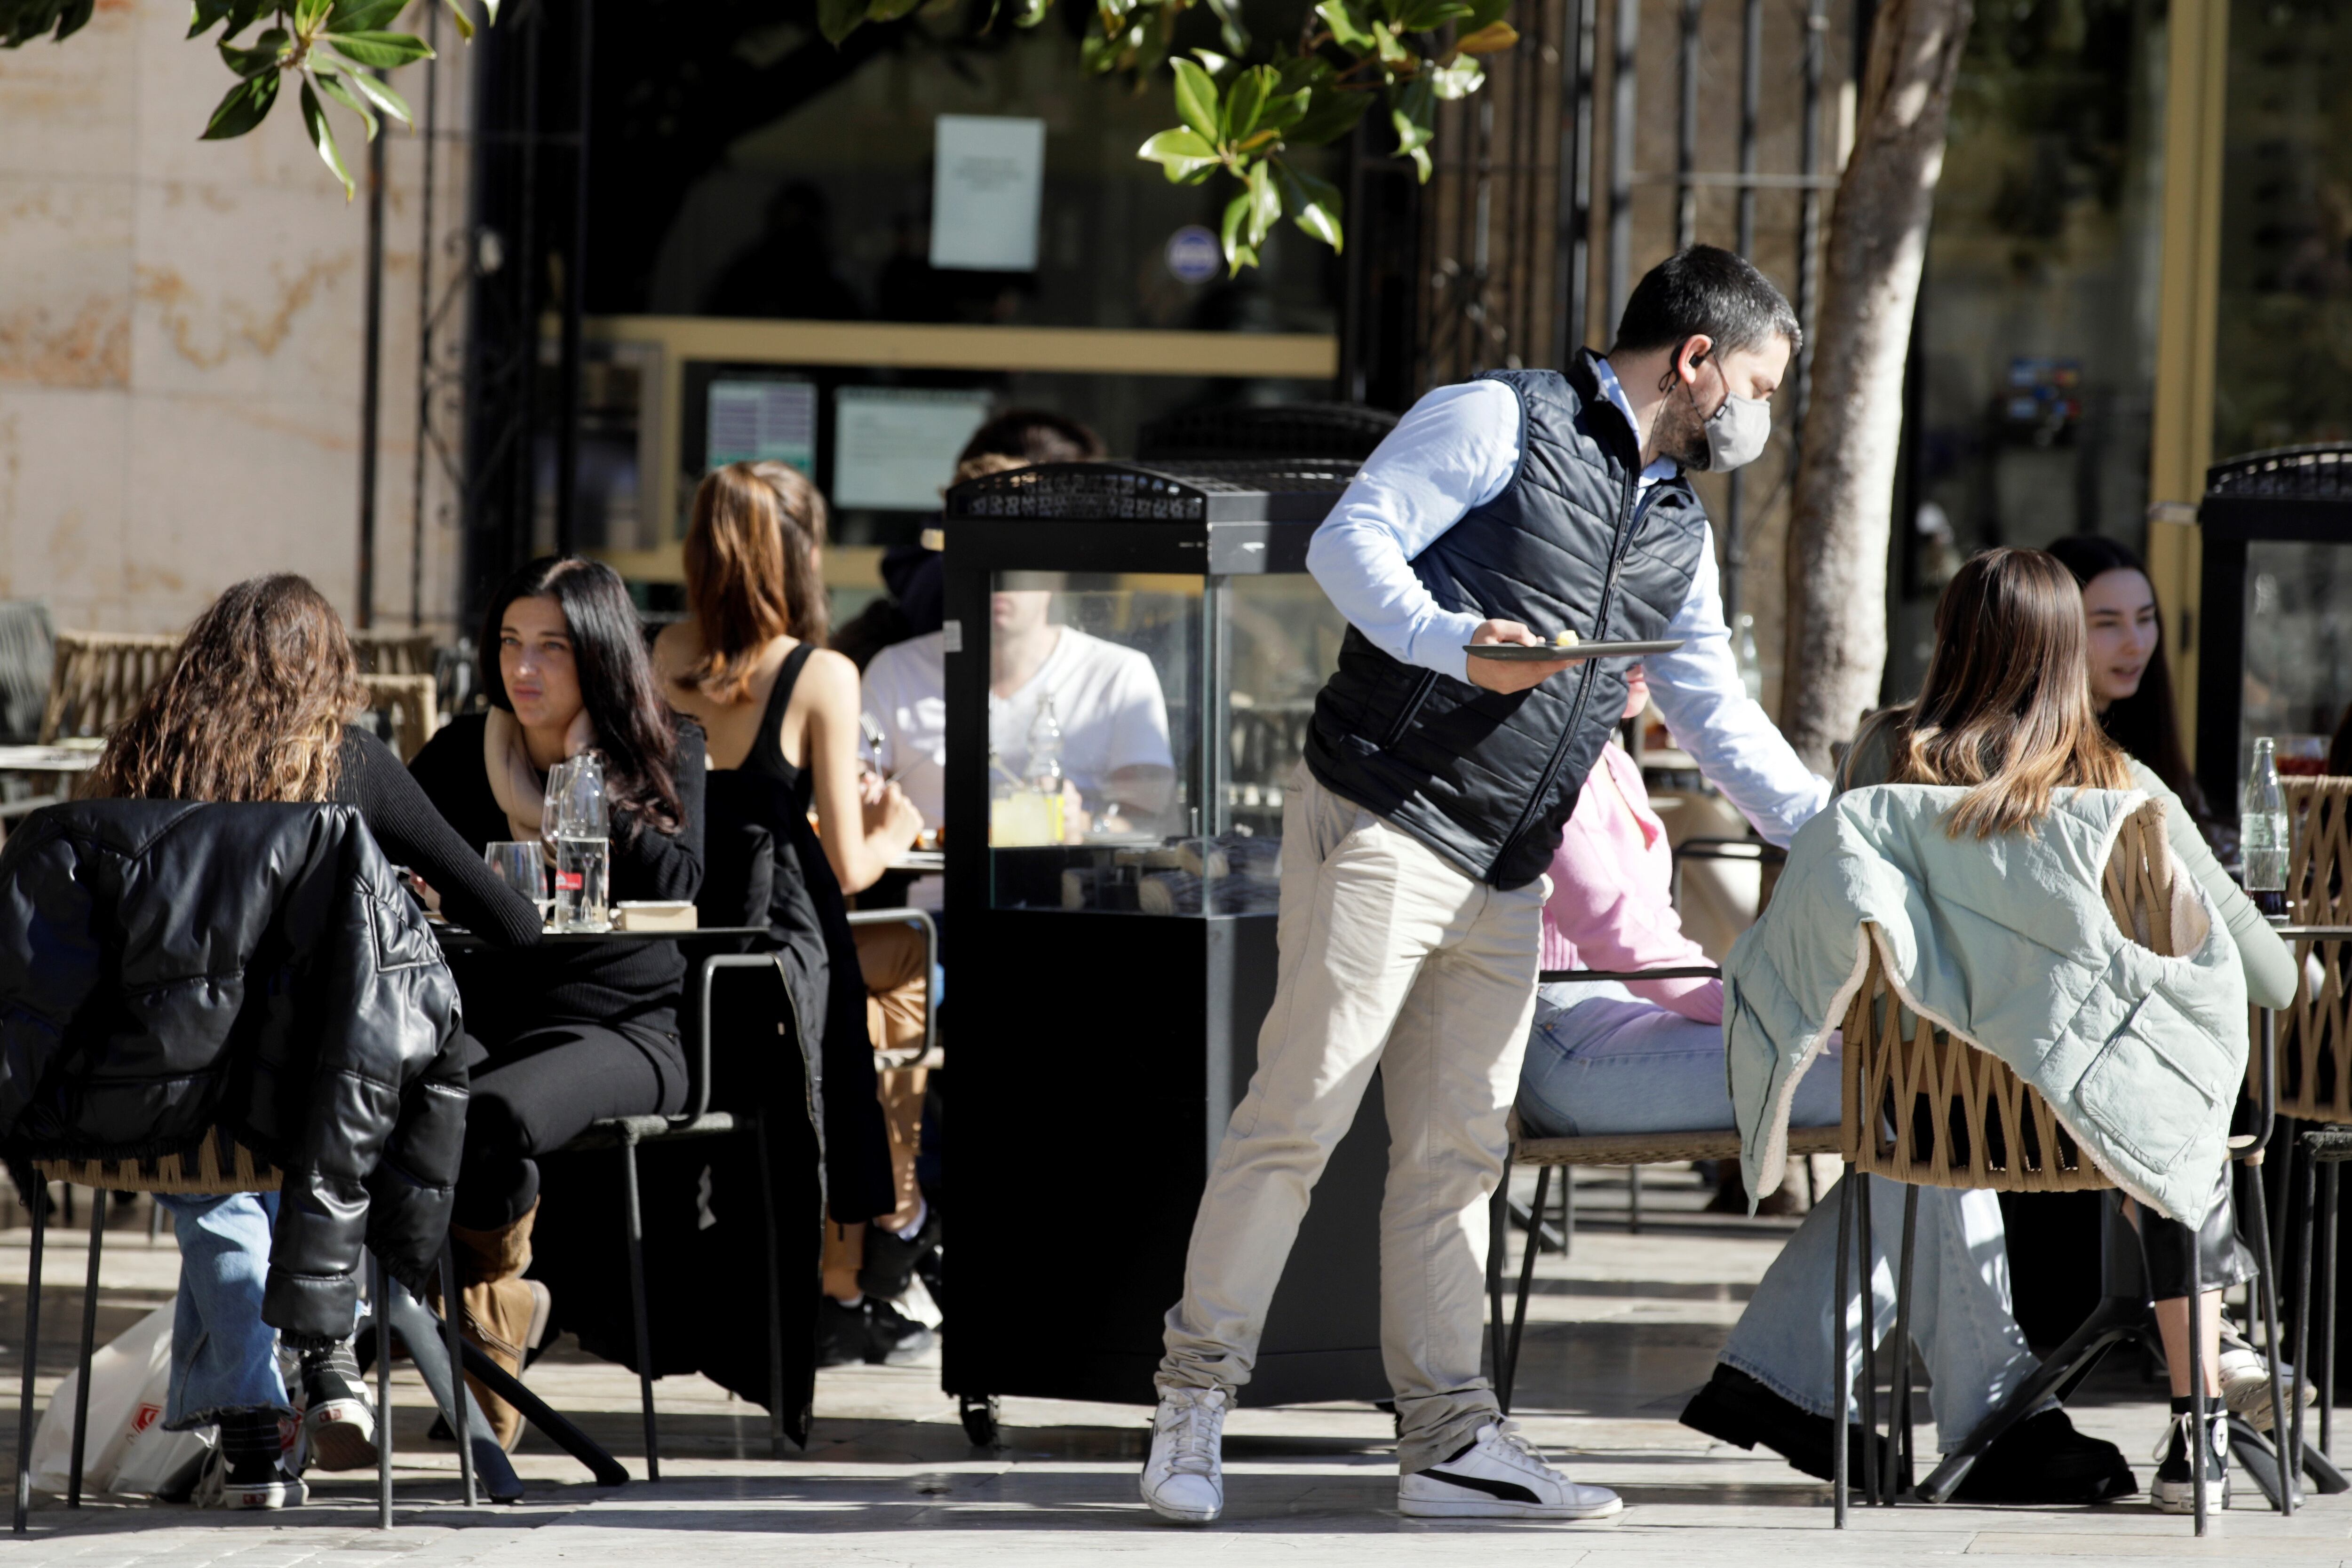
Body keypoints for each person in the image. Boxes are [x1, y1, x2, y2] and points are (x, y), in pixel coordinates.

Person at [1140, 245, 1831, 1526]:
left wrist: (1835, 828)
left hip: (1509, 868)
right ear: (1696, 360)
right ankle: (1191, 1403)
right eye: (1761, 381)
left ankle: (1451, 1441)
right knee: (1298, 1116)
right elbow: (1351, 544)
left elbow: (1714, 710)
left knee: (1458, 1155)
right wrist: (1456, 642)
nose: (1763, 410)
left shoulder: (1676, 522)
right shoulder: (1498, 416)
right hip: (1389, 819)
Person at [1681, 548, 2296, 1513]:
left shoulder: (1880, 762)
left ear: (1946, 641)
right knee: (2187, 1112)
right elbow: (2269, 976)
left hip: (1932, 1118)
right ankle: (2201, 1418)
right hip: (2092, 1125)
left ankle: (1781, 1383)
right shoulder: (2118, 780)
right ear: (2064, 654)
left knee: (1902, 1158)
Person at [85, 573, 544, 1507]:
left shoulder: (142, 758)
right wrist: (398, 901)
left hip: (147, 1094)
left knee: (216, 1191)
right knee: (271, 1157)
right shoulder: (347, 763)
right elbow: (515, 921)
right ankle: (326, 1346)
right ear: (329, 671)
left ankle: (255, 1432)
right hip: (322, 1106)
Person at [406, 556, 705, 1446]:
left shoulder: (669, 744)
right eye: (509, 644)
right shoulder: (468, 749)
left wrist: (597, 778)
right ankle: (494, 1315)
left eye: (551, 648)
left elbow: (684, 878)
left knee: (487, 1116)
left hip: (624, 1028)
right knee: (394, 1102)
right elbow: (383, 854)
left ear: (602, 658)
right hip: (488, 1015)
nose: (523, 669)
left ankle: (481, 1334)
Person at [653, 460, 933, 1368]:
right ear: (801, 557)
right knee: (808, 1112)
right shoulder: (820, 674)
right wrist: (898, 827)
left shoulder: (660, 655)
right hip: (779, 932)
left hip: (681, 924)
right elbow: (850, 866)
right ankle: (861, 1268)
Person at [2048, 533, 2304, 1436]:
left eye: (2145, 619)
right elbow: (2271, 976)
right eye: (2105, 622)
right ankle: (2217, 1357)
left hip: (1987, 1081)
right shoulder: (2121, 779)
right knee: (2208, 1067)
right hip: (2095, 1087)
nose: (2133, 643)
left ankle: (2214, 1351)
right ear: (2051, 633)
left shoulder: (1950, 776)